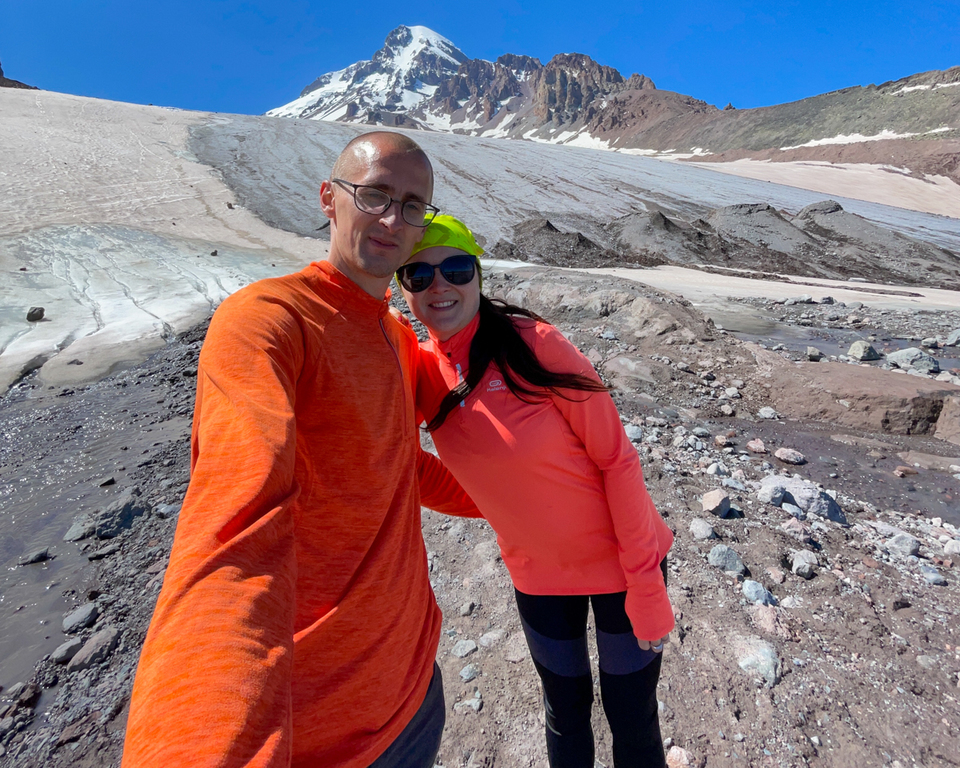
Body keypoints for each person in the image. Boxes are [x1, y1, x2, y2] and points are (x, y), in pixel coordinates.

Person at [122, 133, 481, 768]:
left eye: (412, 204)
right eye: (374, 195)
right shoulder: (268, 320)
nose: (394, 219)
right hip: (320, 732)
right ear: (329, 200)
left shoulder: (398, 339)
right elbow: (236, 523)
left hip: (416, 688)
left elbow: (398, 463)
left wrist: (522, 503)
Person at [397, 215, 675, 768]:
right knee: (564, 715)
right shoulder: (417, 368)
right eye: (419, 275)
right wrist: (503, 509)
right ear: (402, 286)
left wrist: (645, 583)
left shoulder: (536, 345)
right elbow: (402, 466)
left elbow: (617, 460)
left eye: (455, 268)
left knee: (631, 718)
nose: (440, 286)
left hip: (625, 570)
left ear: (477, 273)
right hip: (539, 580)